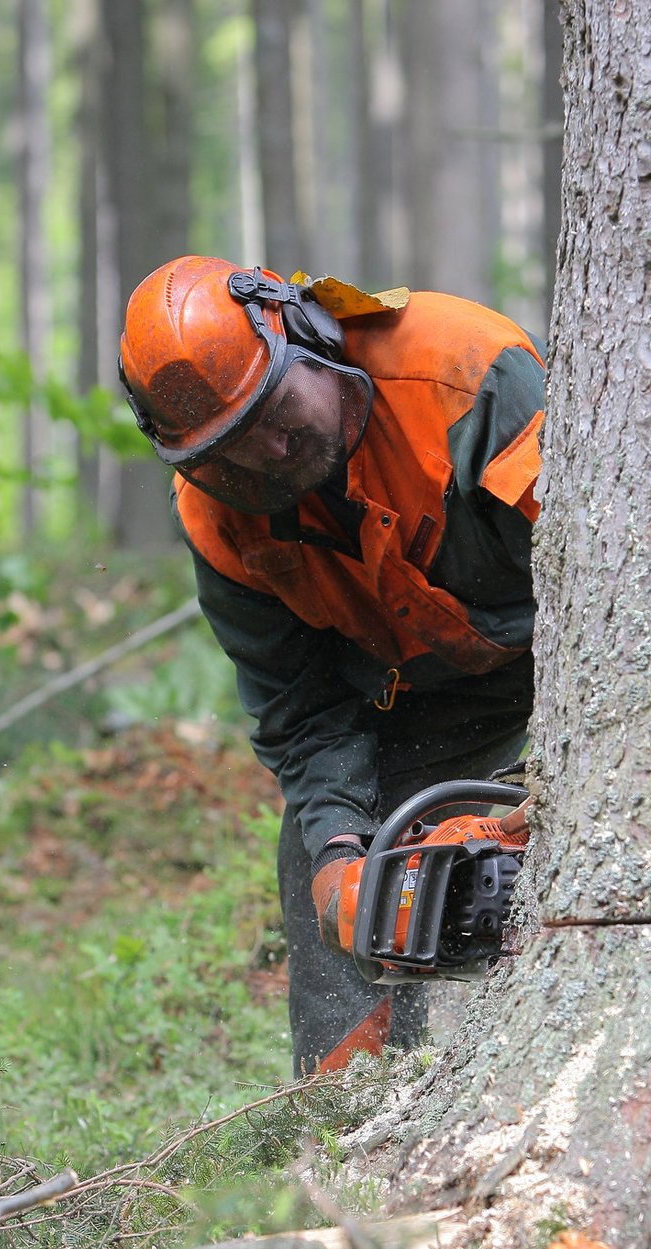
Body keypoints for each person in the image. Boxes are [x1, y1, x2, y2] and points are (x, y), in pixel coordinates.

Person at [119, 256, 545, 1075]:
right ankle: (350, 1116)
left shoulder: (463, 376)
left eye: (278, 410)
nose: (272, 454)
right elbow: (302, 711)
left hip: (561, 662)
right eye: (230, 453)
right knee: (326, 858)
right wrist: (341, 860)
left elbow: (615, 590)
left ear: (304, 333)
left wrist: (555, 780)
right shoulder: (219, 520)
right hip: (424, 699)